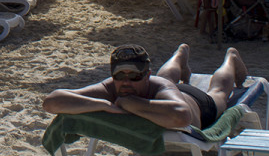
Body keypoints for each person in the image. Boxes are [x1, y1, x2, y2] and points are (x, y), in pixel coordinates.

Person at [42, 43, 249, 131]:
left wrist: (129, 103)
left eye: (134, 76)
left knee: (219, 91)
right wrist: (102, 104)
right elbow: (51, 102)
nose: (126, 82)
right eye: (119, 76)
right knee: (167, 76)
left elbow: (182, 117)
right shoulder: (112, 87)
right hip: (164, 94)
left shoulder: (157, 86)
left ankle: (231, 58)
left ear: (145, 75)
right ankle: (180, 54)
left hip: (198, 105)